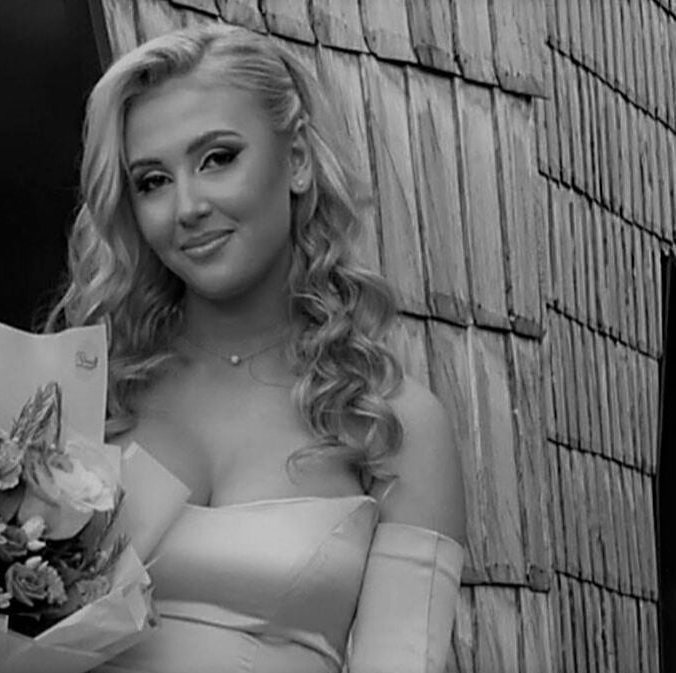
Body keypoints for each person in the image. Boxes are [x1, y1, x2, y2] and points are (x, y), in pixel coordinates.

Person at [46, 24, 467, 673]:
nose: (187, 206)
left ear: (296, 160)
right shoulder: (83, 400)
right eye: (153, 180)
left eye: (217, 158)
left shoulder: (392, 423)